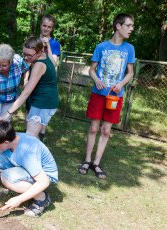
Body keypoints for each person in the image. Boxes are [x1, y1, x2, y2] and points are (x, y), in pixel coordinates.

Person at [78, 13, 135, 179]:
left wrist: (121, 84)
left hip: (115, 97)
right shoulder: (101, 46)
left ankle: (96, 163)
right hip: (98, 94)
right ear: (118, 26)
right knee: (94, 128)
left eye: (132, 26)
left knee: (105, 130)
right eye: (128, 25)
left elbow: (130, 73)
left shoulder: (129, 49)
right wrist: (96, 80)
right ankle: (87, 160)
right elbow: (92, 69)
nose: (131, 29)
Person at [0, 120, 58, 217]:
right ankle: (21, 184)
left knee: (6, 177)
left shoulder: (27, 152)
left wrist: (19, 199)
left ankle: (42, 198)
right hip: (27, 166)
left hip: (44, 176)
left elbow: (44, 182)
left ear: (6, 142)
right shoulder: (12, 138)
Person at [0, 36, 58, 139]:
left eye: (29, 55)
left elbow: (26, 92)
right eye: (24, 54)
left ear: (39, 52)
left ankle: (39, 155)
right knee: (33, 138)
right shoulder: (42, 56)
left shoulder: (39, 65)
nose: (26, 58)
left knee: (29, 139)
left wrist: (9, 112)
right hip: (43, 102)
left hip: (43, 103)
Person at [38, 14, 61, 141]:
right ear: (41, 26)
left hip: (46, 83)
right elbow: (28, 61)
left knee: (44, 112)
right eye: (44, 26)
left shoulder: (55, 44)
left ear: (52, 29)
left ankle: (40, 138)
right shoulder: (34, 40)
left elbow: (54, 63)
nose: (46, 29)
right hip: (33, 80)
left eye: (49, 27)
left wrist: (48, 47)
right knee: (30, 110)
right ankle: (28, 136)